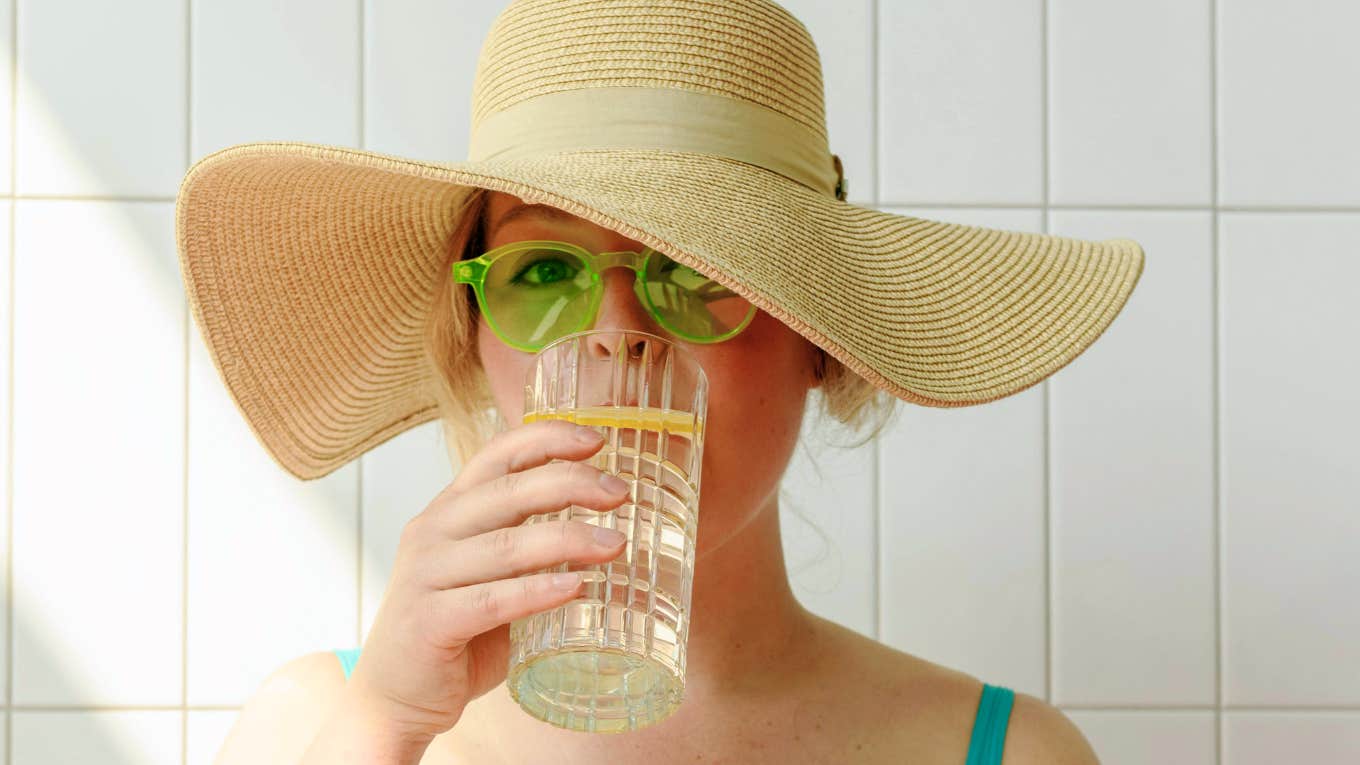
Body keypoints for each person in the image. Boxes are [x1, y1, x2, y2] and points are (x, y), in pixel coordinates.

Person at [176, 1, 1142, 762]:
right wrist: (384, 729)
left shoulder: (1008, 754)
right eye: (544, 271)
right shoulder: (318, 726)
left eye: (699, 272)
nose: (617, 338)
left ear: (821, 340)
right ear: (473, 334)